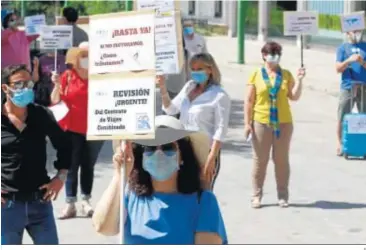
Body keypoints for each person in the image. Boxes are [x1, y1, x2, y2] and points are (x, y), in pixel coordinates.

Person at [92, 115, 228, 244]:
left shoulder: (203, 202)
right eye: (151, 147)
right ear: (142, 157)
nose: (159, 153)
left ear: (182, 157)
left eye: (168, 147)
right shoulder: (129, 196)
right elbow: (103, 227)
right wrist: (119, 175)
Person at [1, 64, 71, 244]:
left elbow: (65, 145)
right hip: (6, 206)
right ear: (5, 88)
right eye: (18, 84)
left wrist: (60, 177)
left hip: (40, 203)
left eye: (28, 84)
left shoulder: (40, 114)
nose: (25, 88)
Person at [244, 41, 305, 208]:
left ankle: (283, 195)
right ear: (264, 55)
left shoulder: (285, 74)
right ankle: (256, 195)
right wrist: (247, 123)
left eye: (277, 54)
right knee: (260, 160)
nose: (274, 57)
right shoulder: (256, 74)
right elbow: (249, 101)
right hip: (261, 122)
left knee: (281, 160)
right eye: (271, 54)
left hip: (283, 123)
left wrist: (299, 81)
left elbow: (294, 96)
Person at [159, 53, 231, 190]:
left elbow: (220, 130)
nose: (195, 72)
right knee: (183, 191)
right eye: (193, 69)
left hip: (205, 151)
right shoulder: (189, 87)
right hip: (184, 148)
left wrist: (211, 158)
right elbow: (170, 109)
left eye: (199, 69)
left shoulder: (219, 95)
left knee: (203, 193)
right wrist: (162, 87)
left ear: (210, 69)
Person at [51, 44, 103, 219]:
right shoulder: (67, 77)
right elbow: (55, 100)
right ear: (76, 58)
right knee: (72, 167)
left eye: (89, 54)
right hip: (72, 129)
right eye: (83, 55)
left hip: (96, 128)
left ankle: (86, 201)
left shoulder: (99, 77)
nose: (86, 58)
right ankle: (70, 203)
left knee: (88, 165)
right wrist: (57, 85)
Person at [335, 29, 366, 156]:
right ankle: (340, 143)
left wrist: (362, 62)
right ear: (348, 33)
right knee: (342, 115)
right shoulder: (343, 48)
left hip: (364, 86)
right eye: (353, 31)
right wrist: (349, 60)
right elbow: (338, 68)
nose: (356, 33)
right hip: (348, 86)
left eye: (358, 31)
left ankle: (365, 144)